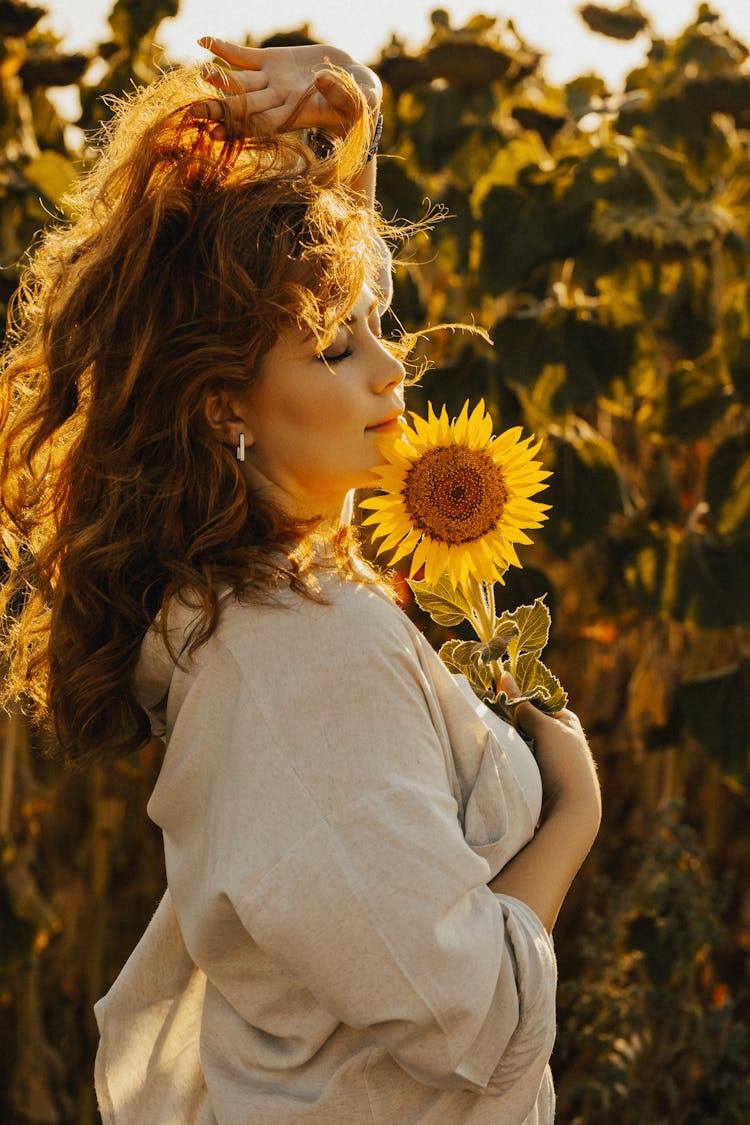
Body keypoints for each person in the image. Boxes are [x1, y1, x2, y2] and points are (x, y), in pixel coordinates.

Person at [0, 36, 601, 1124]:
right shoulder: (306, 658)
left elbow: (301, 314)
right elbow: (473, 1015)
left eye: (378, 327)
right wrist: (576, 806)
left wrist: (350, 108)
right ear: (222, 406)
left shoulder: (238, 591)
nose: (390, 364)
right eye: (341, 349)